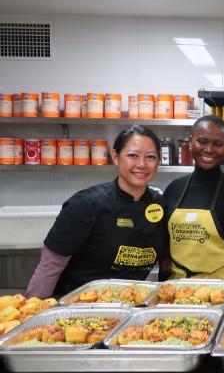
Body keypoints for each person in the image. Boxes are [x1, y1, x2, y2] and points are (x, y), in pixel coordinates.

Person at [26, 125, 166, 298]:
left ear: (159, 160)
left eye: (150, 157)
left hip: (129, 308)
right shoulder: (85, 204)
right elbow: (50, 266)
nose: (142, 164)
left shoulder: (162, 205)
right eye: (132, 155)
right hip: (75, 308)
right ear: (115, 157)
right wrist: (33, 310)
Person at [162, 115, 224, 282]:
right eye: (202, 141)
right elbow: (165, 252)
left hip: (219, 291)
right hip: (176, 288)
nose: (209, 149)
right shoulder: (173, 189)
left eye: (218, 144)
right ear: (190, 141)